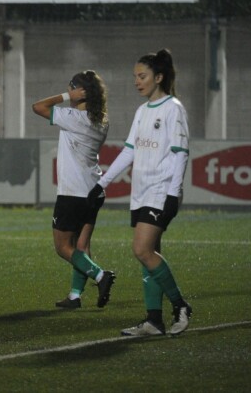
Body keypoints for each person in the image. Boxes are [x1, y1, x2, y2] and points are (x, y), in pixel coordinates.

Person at [88, 48, 192, 336]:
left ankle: (180, 306)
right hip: (142, 192)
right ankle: (154, 321)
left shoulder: (174, 108)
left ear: (158, 77)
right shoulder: (142, 111)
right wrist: (102, 183)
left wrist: (173, 194)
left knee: (141, 249)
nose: (137, 81)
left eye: (142, 76)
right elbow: (129, 152)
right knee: (150, 254)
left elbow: (181, 153)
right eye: (135, 76)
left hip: (161, 190)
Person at [32, 70, 116, 309]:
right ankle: (75, 296)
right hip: (93, 190)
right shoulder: (102, 120)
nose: (69, 90)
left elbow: (37, 106)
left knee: (62, 247)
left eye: (72, 87)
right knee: (82, 246)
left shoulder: (73, 117)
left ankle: (100, 276)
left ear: (81, 92)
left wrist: (63, 95)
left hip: (72, 192)